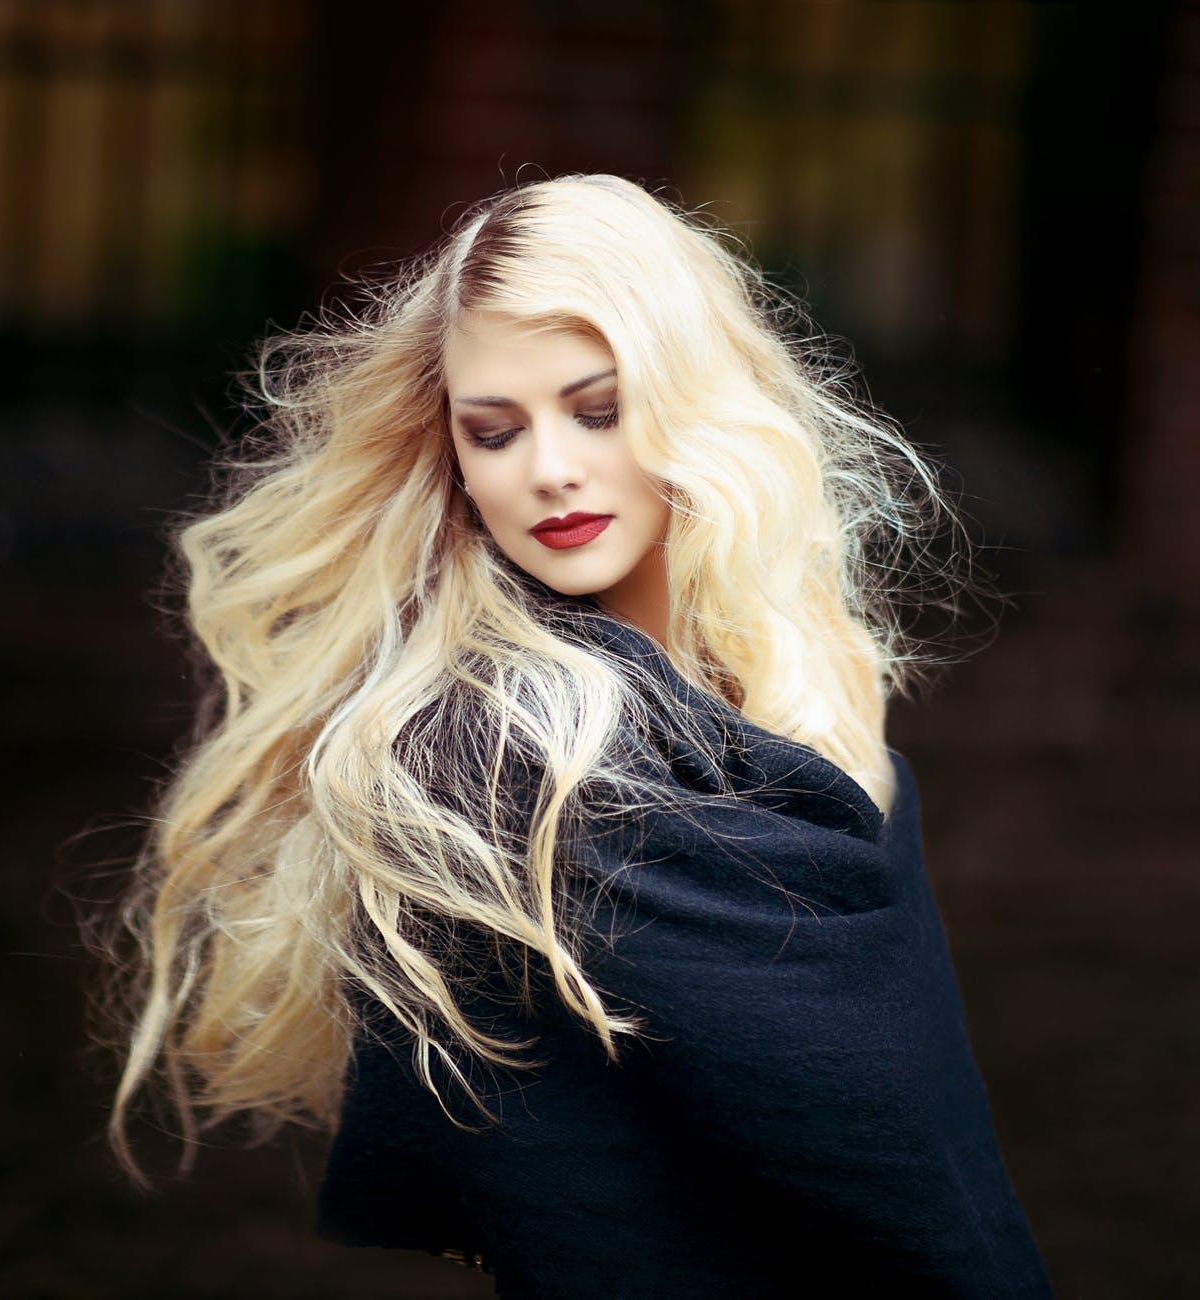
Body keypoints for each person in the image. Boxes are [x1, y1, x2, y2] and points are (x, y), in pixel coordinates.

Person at [98, 174, 1051, 1297]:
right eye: (493, 432)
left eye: (597, 410)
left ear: (695, 401)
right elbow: (892, 1166)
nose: (548, 469)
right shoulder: (515, 751)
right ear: (451, 454)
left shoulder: (800, 682)